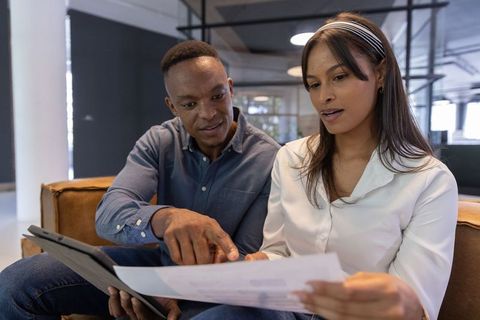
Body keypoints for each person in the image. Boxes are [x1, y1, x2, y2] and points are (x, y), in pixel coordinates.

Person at [190, 12, 458, 320]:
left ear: (380, 74)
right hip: (286, 311)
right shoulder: (291, 158)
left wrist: (399, 302)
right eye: (313, 84)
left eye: (339, 77)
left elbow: (415, 304)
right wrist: (259, 262)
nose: (323, 97)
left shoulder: (429, 181)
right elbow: (278, 251)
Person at [0, 40, 280, 319]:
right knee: (16, 283)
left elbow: (244, 259)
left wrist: (174, 296)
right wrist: (167, 219)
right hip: (158, 268)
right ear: (172, 106)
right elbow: (109, 213)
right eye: (190, 103)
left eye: (217, 96)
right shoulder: (159, 141)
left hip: (226, 289)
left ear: (230, 89)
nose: (207, 113)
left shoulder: (270, 158)